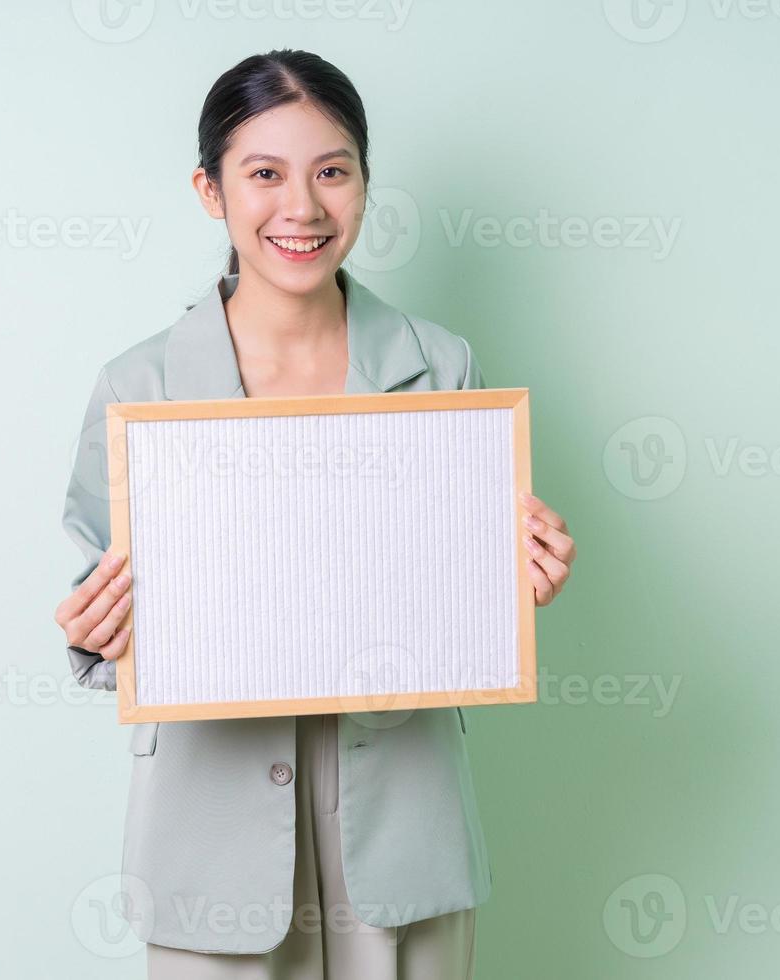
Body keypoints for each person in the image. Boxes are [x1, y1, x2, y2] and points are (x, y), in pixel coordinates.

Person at [54, 49, 577, 979]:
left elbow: (460, 594)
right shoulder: (139, 388)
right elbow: (105, 611)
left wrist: (510, 588)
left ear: (366, 185)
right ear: (211, 192)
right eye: (264, 174)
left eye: (332, 171)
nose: (302, 208)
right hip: (211, 843)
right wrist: (98, 632)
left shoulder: (442, 368)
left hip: (402, 829)